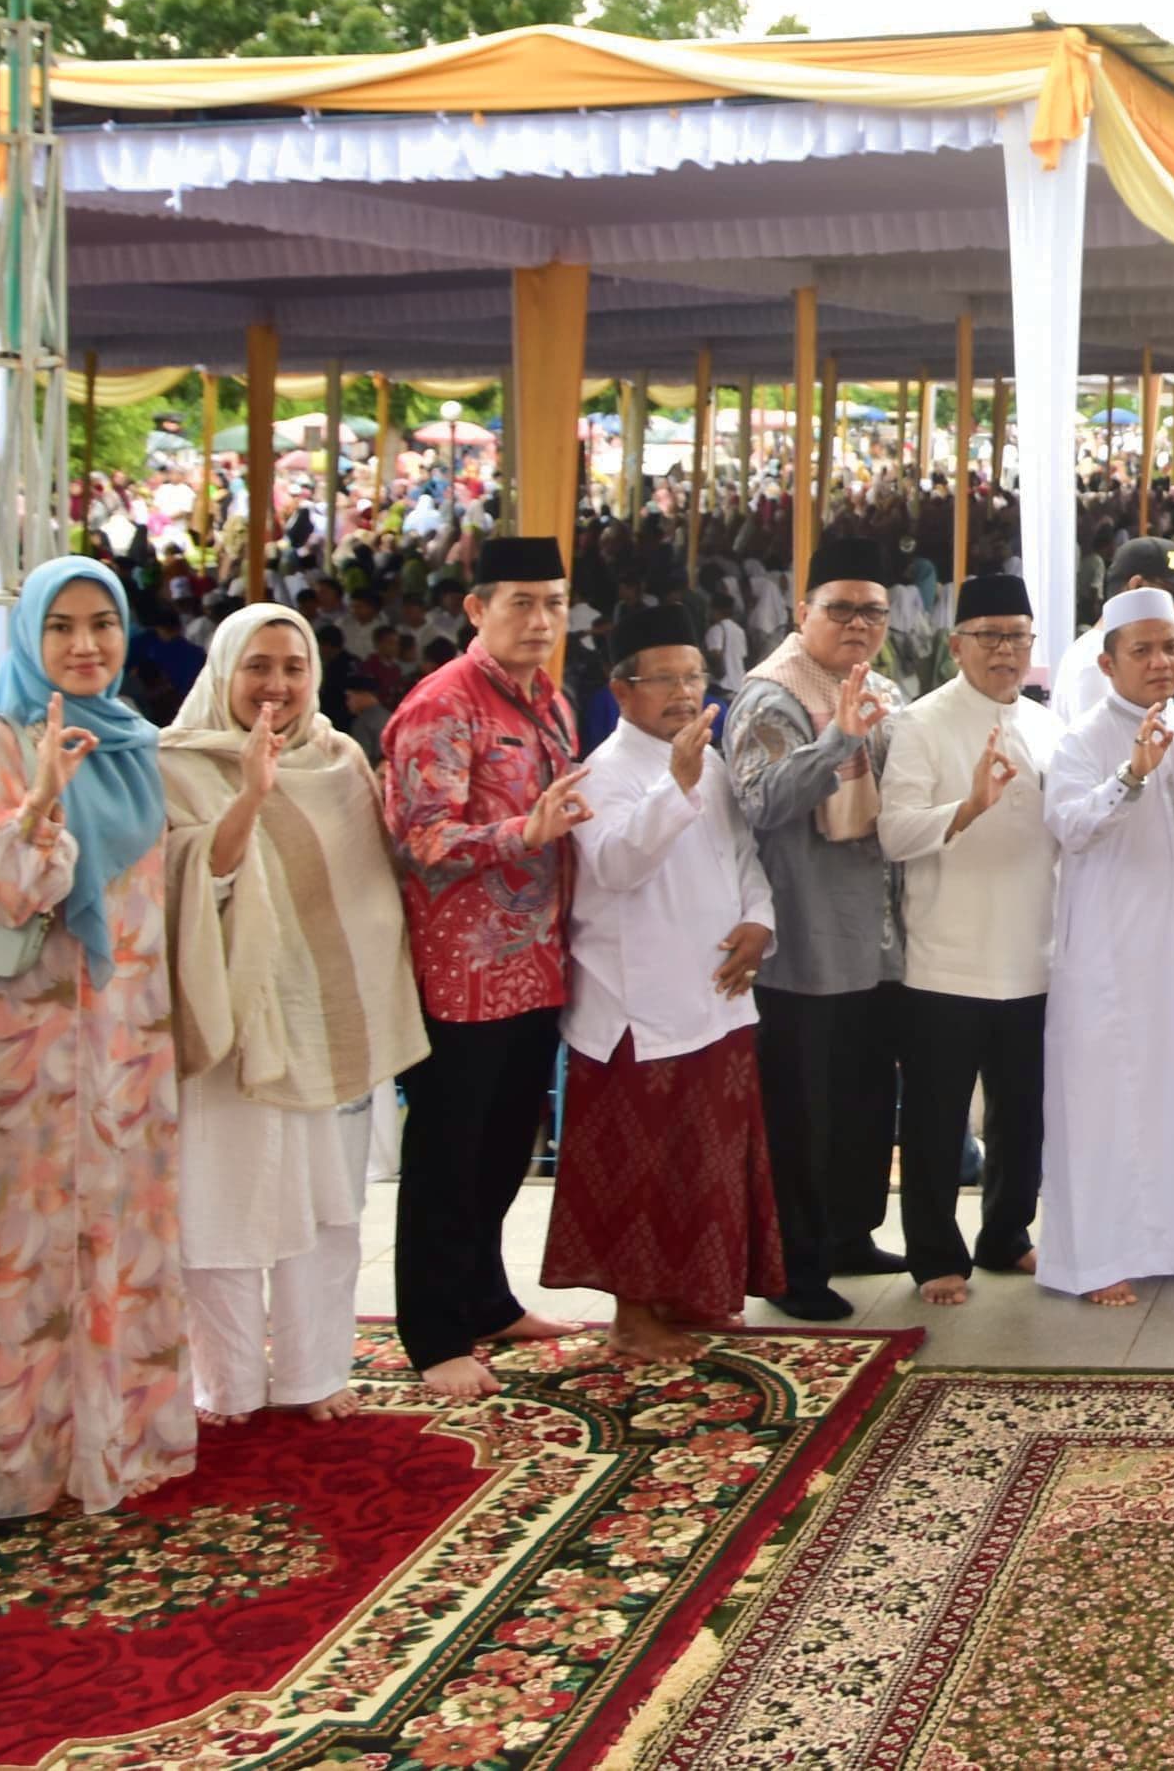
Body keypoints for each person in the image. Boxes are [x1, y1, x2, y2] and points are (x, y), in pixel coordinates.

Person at [0, 556, 192, 1518]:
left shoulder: (133, 741)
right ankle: (12, 1462)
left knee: (113, 1231)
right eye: (62, 627)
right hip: (23, 1042)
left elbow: (149, 898)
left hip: (121, 1033)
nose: (84, 645)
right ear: (29, 638)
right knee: (21, 1247)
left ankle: (108, 1440)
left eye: (102, 624)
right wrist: (38, 798)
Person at [161, 604, 428, 1424]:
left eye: (293, 666)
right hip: (235, 1017)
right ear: (224, 672)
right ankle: (230, 1386)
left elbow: (365, 886)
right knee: (225, 1204)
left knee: (327, 1207)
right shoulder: (174, 761)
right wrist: (250, 794)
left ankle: (315, 1375)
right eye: (258, 666)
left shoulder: (341, 756)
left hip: (329, 1015)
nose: (276, 685)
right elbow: (191, 888)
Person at [378, 533, 588, 1396]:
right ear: (477, 608)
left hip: (536, 961)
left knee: (506, 1143)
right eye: (521, 603)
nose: (540, 620)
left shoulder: (549, 701)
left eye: (553, 602)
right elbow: (420, 839)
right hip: (459, 971)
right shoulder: (444, 704)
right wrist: (522, 833)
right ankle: (432, 1331)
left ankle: (486, 1298)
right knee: (447, 1153)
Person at [544, 603, 780, 1362]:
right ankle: (633, 1317)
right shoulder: (601, 772)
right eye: (665, 679)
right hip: (634, 1012)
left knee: (703, 1160)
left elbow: (741, 854)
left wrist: (758, 920)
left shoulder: (706, 760)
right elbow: (615, 864)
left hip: (715, 992)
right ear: (622, 690)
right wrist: (671, 786)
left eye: (694, 676)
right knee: (638, 1172)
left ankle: (691, 1294)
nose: (684, 692)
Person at [1038, 588, 1174, 1301]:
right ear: (1109, 660)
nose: (1161, 663)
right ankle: (1093, 1259)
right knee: (1107, 1100)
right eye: (1143, 651)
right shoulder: (1082, 739)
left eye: (1171, 648)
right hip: (1109, 955)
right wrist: (1130, 776)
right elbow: (1070, 825)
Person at [726, 536, 907, 1321]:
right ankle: (792, 1267)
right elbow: (760, 798)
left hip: (876, 938)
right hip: (801, 944)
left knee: (865, 1099)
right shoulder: (773, 696)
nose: (858, 623)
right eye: (841, 608)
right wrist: (836, 737)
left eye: (873, 610)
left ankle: (849, 1234)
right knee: (798, 1115)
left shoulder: (882, 688)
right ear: (804, 613)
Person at [875, 574, 1053, 1305]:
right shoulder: (921, 722)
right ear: (957, 645)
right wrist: (969, 805)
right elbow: (892, 832)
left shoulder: (1049, 725)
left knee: (1022, 1116)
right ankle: (934, 1254)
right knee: (936, 1119)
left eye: (1017, 635)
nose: (1005, 650)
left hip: (1030, 955)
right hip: (945, 959)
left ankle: (1006, 1232)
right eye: (990, 636)